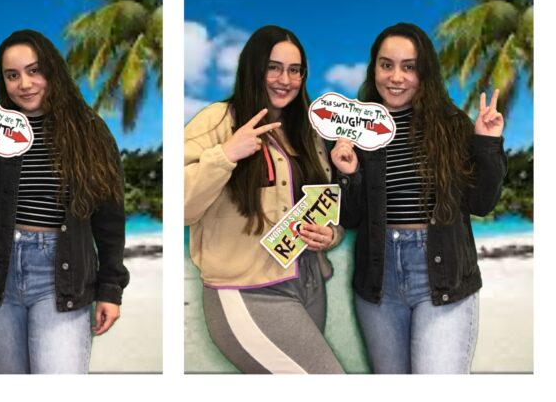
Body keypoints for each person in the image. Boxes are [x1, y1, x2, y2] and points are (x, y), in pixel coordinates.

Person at [330, 22, 506, 374]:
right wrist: (348, 173)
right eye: (386, 65)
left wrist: (486, 142)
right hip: (378, 281)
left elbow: (482, 204)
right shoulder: (355, 129)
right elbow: (349, 219)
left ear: (424, 71)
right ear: (374, 68)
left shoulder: (452, 124)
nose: (396, 77)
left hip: (442, 276)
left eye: (409, 67)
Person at [0, 29, 129, 374]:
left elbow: (110, 218)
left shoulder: (90, 130)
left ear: (53, 71)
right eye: (12, 75)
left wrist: (111, 289)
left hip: (62, 276)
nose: (24, 83)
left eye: (34, 70)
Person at [184, 25, 345, 374]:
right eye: (273, 67)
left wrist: (331, 235)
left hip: (309, 284)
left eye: (294, 70)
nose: (284, 79)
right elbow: (179, 207)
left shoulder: (309, 132)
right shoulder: (215, 122)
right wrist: (225, 155)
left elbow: (326, 207)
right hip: (247, 291)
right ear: (253, 67)